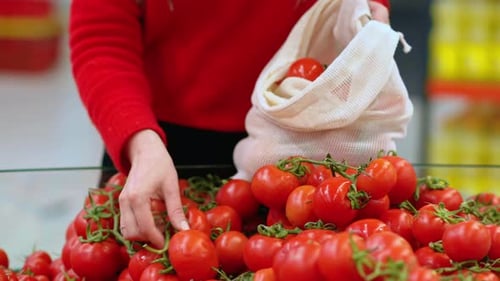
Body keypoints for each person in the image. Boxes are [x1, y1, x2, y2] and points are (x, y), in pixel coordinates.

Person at [69, 0, 391, 248]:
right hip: (155, 143)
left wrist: (368, 12)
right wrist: (140, 143)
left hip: (301, 138)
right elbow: (102, 35)